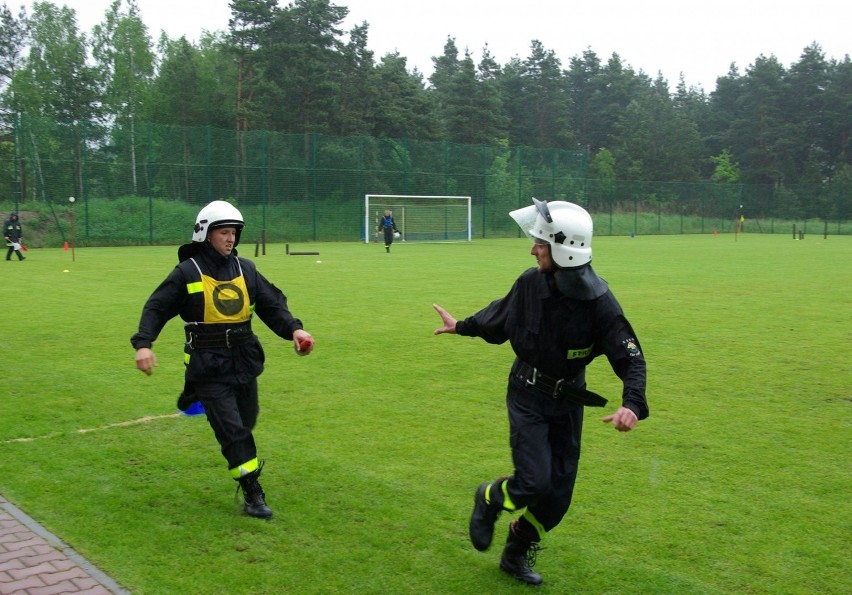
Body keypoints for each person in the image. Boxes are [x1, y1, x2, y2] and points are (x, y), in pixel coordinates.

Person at [432, 198, 648, 585]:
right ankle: (490, 498)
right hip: (526, 395)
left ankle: (516, 551)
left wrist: (631, 403)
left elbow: (630, 356)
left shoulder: (600, 303)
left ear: (563, 252)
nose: (532, 249)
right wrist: (462, 325)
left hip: (568, 404)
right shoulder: (529, 284)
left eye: (540, 244)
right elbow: (499, 317)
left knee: (558, 499)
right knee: (534, 480)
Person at [131, 200, 314, 519]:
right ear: (205, 233)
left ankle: (194, 398)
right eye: (223, 233)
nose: (230, 239)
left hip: (244, 358)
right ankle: (252, 491)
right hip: (207, 364)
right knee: (234, 432)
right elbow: (157, 307)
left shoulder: (247, 269)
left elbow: (272, 306)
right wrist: (144, 343)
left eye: (233, 233)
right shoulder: (188, 271)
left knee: (246, 420)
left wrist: (295, 331)